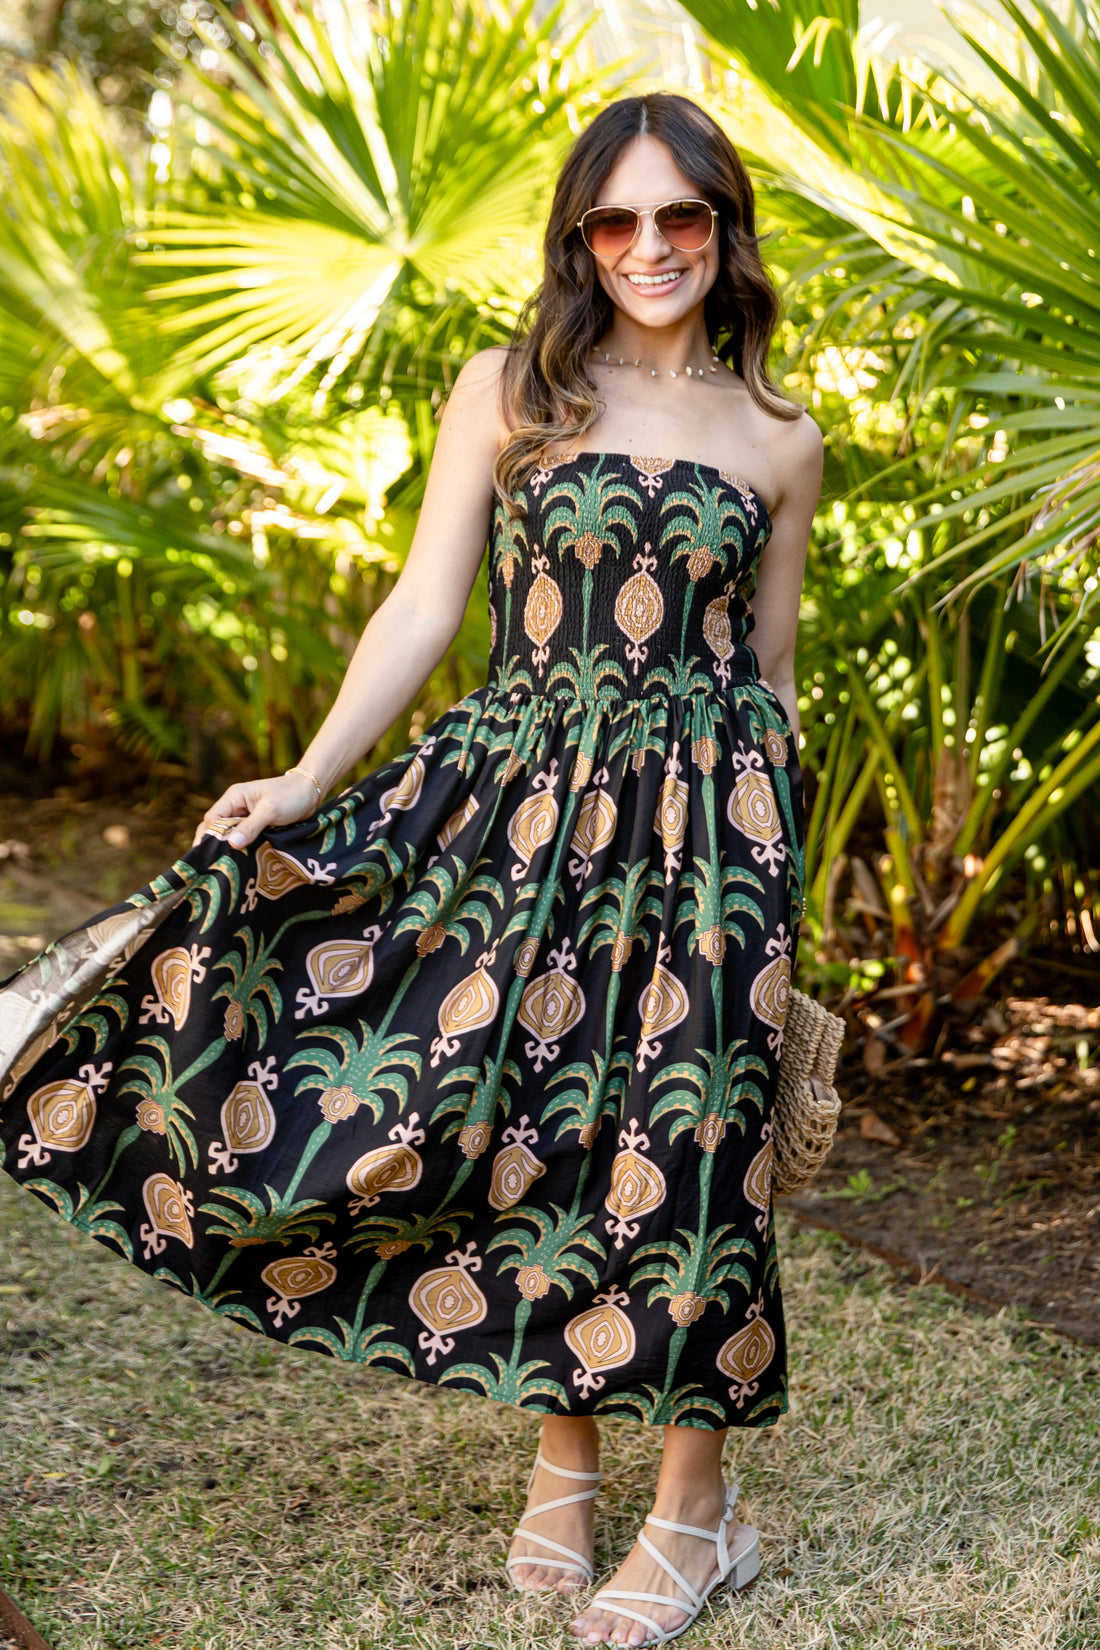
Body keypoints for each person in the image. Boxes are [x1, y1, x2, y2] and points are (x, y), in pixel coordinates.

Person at [0, 91, 821, 1648]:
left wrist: (775, 869)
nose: (651, 247)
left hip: (710, 838)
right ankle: (563, 1455)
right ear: (581, 239)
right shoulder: (511, 388)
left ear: (726, 229)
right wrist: (308, 777)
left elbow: (768, 668)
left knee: (697, 1145)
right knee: (517, 1115)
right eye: (617, 221)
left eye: (683, 217)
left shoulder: (781, 437)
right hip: (515, 801)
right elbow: (424, 604)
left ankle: (694, 1512)